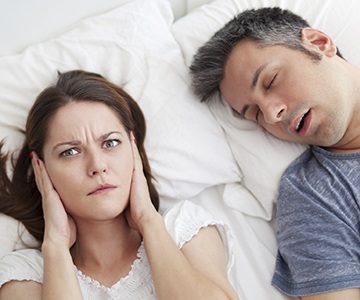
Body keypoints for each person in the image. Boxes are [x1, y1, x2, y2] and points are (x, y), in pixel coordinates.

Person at [0, 70, 238, 299]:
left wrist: (148, 221)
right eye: (70, 151)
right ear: (41, 169)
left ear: (133, 148)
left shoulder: (185, 229)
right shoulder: (25, 274)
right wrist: (56, 246)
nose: (97, 165)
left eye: (111, 143)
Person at [189, 6, 360, 300]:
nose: (271, 114)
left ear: (319, 43)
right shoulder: (314, 196)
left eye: (270, 81)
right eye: (254, 113)